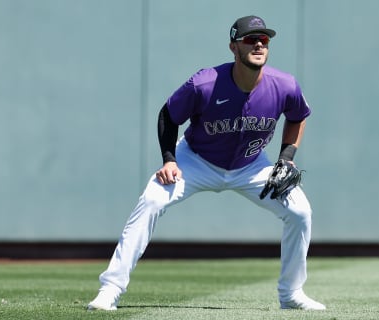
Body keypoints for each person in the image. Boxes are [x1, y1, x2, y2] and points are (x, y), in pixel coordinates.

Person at [87, 15, 325, 311]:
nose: (259, 44)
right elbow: (167, 116)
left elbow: (298, 115)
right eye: (250, 39)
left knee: (300, 212)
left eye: (264, 40)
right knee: (151, 201)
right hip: (195, 160)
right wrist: (169, 159)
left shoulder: (284, 85)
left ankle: (291, 293)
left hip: (252, 166)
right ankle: (110, 290)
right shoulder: (205, 83)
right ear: (233, 47)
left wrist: (286, 159)